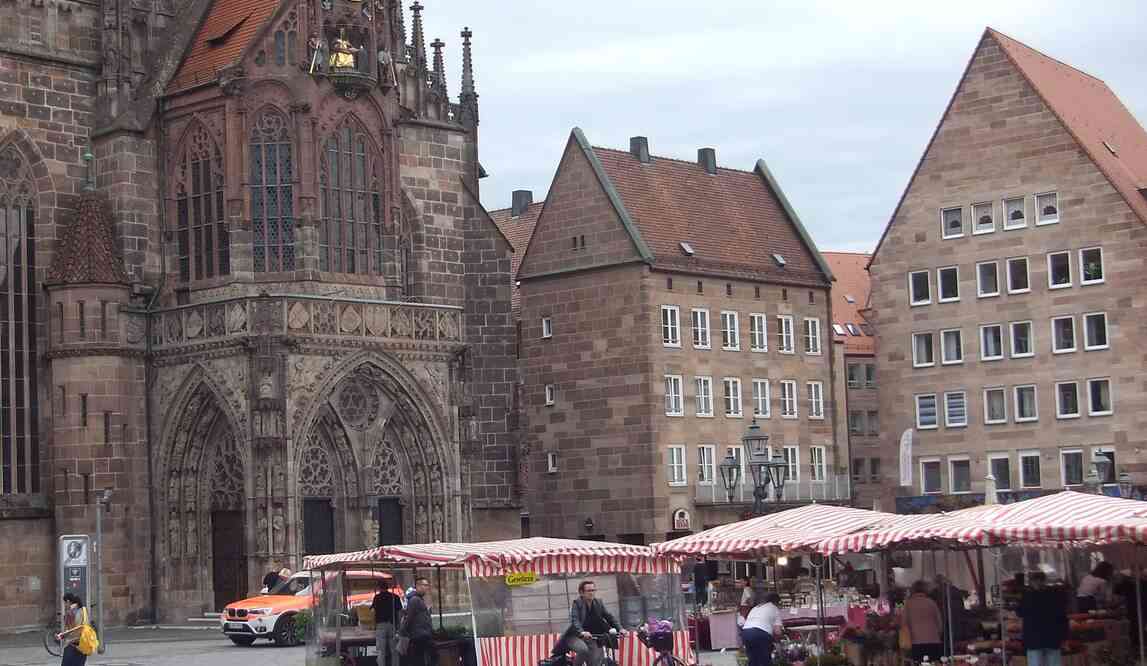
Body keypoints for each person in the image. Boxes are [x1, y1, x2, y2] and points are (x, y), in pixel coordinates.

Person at [566, 580, 624, 666]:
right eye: (589, 591)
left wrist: (621, 629)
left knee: (595, 663)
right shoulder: (577, 603)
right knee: (583, 650)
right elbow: (575, 620)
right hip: (575, 637)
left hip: (593, 637)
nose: (591, 593)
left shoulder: (598, 603)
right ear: (581, 592)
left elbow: (609, 617)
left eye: (593, 590)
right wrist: (582, 632)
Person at [1017, 571, 1068, 666]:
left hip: (1034, 637)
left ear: (1032, 582)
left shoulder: (1028, 596)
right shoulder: (1056, 594)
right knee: (1054, 663)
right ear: (1045, 580)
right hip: (1052, 636)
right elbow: (1063, 616)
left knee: (1035, 663)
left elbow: (1020, 613)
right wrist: (1064, 636)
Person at [737, 591, 783, 666]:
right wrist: (779, 642)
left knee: (753, 660)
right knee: (765, 660)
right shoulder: (774, 608)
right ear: (776, 602)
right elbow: (778, 631)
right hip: (761, 634)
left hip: (746, 633)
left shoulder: (756, 608)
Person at [901, 580, 942, 662]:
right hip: (933, 641)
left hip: (916, 642)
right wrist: (938, 635)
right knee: (934, 663)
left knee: (919, 663)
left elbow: (904, 623)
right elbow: (939, 622)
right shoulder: (931, 603)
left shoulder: (909, 604)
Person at [399, 576, 434, 666]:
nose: (426, 587)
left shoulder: (419, 599)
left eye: (427, 585)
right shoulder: (414, 600)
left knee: (425, 659)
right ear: (418, 586)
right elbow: (409, 617)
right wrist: (402, 631)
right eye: (424, 585)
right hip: (418, 636)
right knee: (419, 660)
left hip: (423, 634)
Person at [373, 578, 402, 666]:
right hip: (392, 624)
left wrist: (374, 625)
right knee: (394, 650)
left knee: (381, 651)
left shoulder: (377, 597)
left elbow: (374, 612)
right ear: (387, 587)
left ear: (379, 587)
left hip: (380, 625)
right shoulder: (395, 597)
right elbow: (399, 612)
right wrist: (399, 626)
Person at [55, 593, 89, 666]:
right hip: (83, 644)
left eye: (65, 603)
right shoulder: (84, 610)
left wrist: (61, 636)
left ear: (68, 601)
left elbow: (69, 630)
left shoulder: (70, 613)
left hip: (72, 645)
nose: (65, 605)